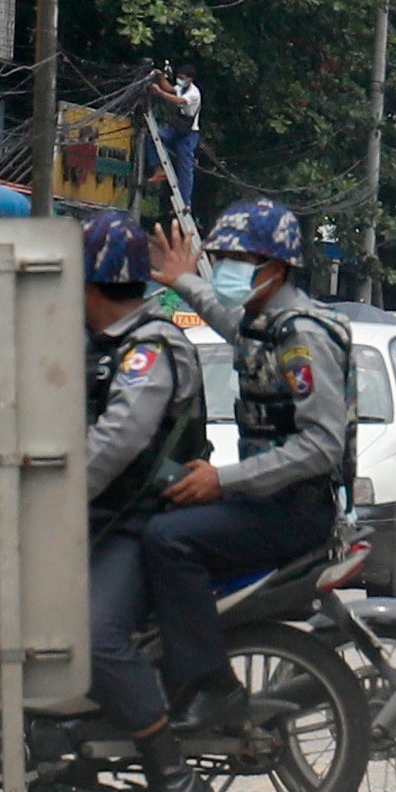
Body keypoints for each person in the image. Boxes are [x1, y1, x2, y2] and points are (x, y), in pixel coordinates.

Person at [144, 199, 350, 731]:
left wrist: (223, 480)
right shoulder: (266, 323)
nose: (228, 270)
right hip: (267, 499)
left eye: (239, 259)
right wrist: (186, 281)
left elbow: (322, 445)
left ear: (276, 268)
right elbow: (226, 317)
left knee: (169, 541)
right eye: (223, 258)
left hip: (295, 509)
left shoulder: (302, 335)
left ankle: (212, 688)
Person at [77, 210, 215, 792]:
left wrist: (59, 494)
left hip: (138, 524)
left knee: (95, 634)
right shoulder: (93, 344)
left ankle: (172, 774)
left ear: (91, 284)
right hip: (98, 521)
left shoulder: (148, 349)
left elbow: (120, 438)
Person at [150, 68, 202, 213]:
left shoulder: (194, 93)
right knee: (155, 136)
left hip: (189, 133)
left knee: (184, 167)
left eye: (183, 77)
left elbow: (178, 100)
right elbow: (170, 89)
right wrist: (159, 76)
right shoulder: (182, 88)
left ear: (190, 79)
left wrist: (160, 93)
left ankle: (185, 202)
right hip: (178, 128)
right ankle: (158, 168)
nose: (180, 79)